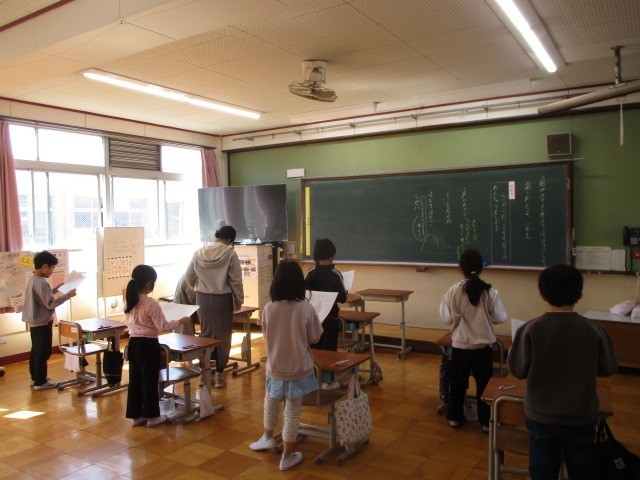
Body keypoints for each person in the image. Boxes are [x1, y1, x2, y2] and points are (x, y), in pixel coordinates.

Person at [508, 264, 617, 480]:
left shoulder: (530, 329)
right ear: (580, 294)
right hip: (581, 416)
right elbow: (608, 368)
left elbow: (518, 370)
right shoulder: (594, 329)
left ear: (542, 294)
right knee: (582, 470)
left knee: (543, 469)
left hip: (541, 416)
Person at [249, 260, 323, 471]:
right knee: (292, 412)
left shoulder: (268, 309)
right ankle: (287, 455)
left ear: (276, 282)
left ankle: (267, 437)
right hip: (299, 369)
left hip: (275, 366)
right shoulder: (306, 308)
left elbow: (266, 336)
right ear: (300, 284)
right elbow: (315, 337)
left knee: (270, 401)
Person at [439, 249, 507, 431]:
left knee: (458, 384)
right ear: (481, 268)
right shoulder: (489, 292)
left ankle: (455, 417)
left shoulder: (452, 291)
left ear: (460, 268)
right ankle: (486, 422)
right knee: (484, 385)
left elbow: (446, 319)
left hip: (460, 347)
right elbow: (500, 318)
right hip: (483, 349)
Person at [124, 264, 191, 428]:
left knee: (135, 381)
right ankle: (152, 417)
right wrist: (181, 321)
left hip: (133, 343)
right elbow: (163, 326)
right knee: (149, 381)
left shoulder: (129, 299)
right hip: (147, 345)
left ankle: (136, 416)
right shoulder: (150, 303)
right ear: (149, 283)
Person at [185, 225, 244, 389]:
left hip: (202, 299)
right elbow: (236, 281)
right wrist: (238, 301)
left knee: (205, 335)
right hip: (223, 299)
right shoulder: (230, 253)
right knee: (223, 336)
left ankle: (203, 375)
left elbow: (188, 276)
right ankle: (219, 375)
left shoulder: (199, 252)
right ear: (230, 239)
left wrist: (196, 290)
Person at [22, 250, 77, 390]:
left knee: (36, 350)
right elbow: (50, 303)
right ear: (45, 266)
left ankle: (36, 378)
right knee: (42, 351)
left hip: (36, 321)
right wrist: (68, 295)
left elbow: (44, 297)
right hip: (42, 321)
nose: (52, 272)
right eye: (52, 268)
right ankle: (40, 382)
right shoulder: (41, 282)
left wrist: (55, 289)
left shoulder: (34, 280)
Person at [304, 238, 347, 351]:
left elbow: (304, 296)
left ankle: (315, 363)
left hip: (314, 318)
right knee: (330, 350)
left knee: (314, 349)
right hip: (331, 318)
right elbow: (343, 298)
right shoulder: (336, 275)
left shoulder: (310, 273)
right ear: (331, 257)